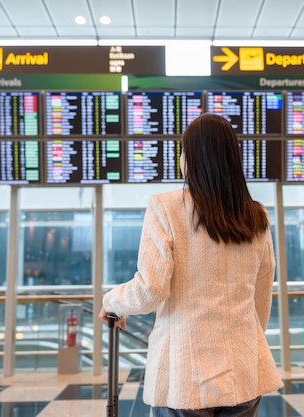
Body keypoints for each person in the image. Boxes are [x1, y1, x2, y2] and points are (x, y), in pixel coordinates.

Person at [98, 113, 283, 416]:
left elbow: (150, 289)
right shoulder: (256, 216)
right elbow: (260, 302)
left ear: (191, 158)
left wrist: (113, 301)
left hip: (186, 375)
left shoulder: (166, 207)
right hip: (243, 370)